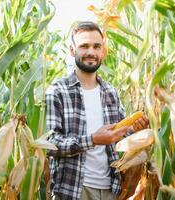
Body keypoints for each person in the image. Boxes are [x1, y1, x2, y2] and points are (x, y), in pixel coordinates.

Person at [45, 21, 149, 200]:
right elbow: (50, 144)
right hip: (74, 189)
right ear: (72, 50)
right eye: (84, 46)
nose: (91, 52)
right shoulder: (57, 91)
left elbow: (120, 137)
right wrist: (92, 140)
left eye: (96, 46)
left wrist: (134, 132)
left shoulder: (111, 93)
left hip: (110, 188)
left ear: (103, 51)